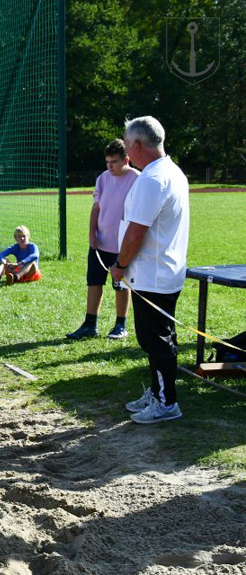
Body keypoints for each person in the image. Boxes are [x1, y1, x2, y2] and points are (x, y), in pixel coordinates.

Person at [112, 116, 190, 424]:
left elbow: (136, 232)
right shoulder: (170, 172)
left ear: (137, 145)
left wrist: (119, 265)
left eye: (128, 144)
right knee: (155, 338)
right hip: (160, 271)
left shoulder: (153, 179)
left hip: (153, 274)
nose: (127, 151)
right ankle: (159, 392)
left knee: (155, 340)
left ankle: (165, 401)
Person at [67, 139, 140, 340]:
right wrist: (92, 233)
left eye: (114, 161)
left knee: (121, 284)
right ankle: (90, 324)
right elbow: (96, 207)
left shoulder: (137, 179)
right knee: (94, 282)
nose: (110, 166)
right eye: (107, 162)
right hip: (100, 243)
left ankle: (120, 325)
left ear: (126, 160)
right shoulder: (103, 178)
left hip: (122, 245)